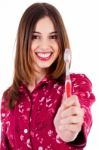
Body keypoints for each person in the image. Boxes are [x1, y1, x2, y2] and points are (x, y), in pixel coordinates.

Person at [1, 2, 95, 150]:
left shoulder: (75, 83)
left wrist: (70, 131)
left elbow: (82, 113)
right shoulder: (8, 97)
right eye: (35, 37)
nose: (45, 46)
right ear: (24, 41)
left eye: (53, 37)